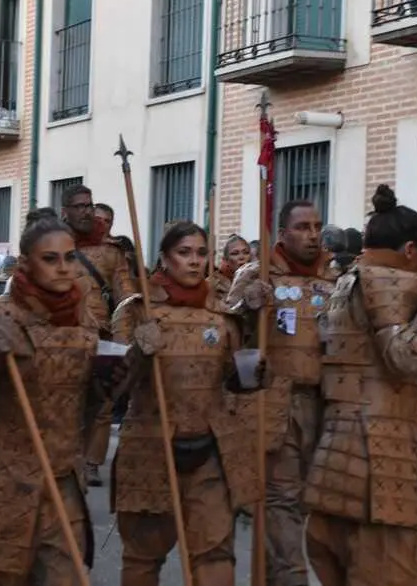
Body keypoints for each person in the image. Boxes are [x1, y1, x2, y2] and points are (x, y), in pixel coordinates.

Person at [0, 215, 99, 585]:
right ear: (26, 264)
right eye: (50, 259)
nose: (63, 268)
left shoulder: (86, 320)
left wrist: (124, 371)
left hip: (61, 479)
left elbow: (92, 405)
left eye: (70, 257)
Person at [111, 220, 265, 586]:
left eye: (200, 253)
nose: (194, 262)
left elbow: (235, 381)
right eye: (184, 253)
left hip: (209, 448)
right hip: (152, 446)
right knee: (143, 554)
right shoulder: (136, 312)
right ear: (165, 258)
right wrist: (137, 354)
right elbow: (109, 390)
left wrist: (254, 364)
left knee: (214, 552)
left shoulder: (222, 315)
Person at [304, 185, 417, 585]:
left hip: (336, 449)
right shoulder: (390, 278)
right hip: (379, 451)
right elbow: (401, 357)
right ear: (410, 250)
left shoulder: (347, 280)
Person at [226, 200, 336, 586]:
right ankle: (291, 578)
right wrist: (246, 307)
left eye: (317, 226)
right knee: (281, 500)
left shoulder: (334, 278)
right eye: (303, 227)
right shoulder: (258, 275)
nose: (312, 235)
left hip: (323, 405)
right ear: (283, 232)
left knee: (308, 503)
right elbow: (225, 329)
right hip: (276, 404)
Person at [60, 185, 134, 487]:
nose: (86, 211)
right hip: (64, 334)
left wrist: (124, 340)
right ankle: (65, 455)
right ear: (65, 211)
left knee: (102, 403)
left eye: (89, 205)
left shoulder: (111, 249)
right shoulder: (55, 243)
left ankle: (92, 462)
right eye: (79, 206)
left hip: (102, 335)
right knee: (66, 400)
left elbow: (126, 298)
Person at [214, 234, 250, 300]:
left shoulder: (258, 278)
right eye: (235, 253)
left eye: (246, 252)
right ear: (226, 260)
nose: (242, 257)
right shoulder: (214, 283)